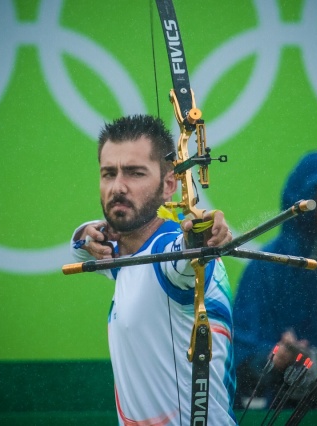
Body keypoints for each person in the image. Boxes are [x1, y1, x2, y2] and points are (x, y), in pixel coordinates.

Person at [69, 115, 236, 425]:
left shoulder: (167, 255)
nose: (118, 187)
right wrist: (85, 235)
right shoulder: (122, 255)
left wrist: (202, 236)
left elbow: (186, 257)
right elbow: (82, 244)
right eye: (109, 174)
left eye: (135, 173)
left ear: (169, 185)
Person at [232, 150, 317, 408]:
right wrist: (276, 358)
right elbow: (238, 358)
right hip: (287, 410)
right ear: (302, 199)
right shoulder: (266, 266)